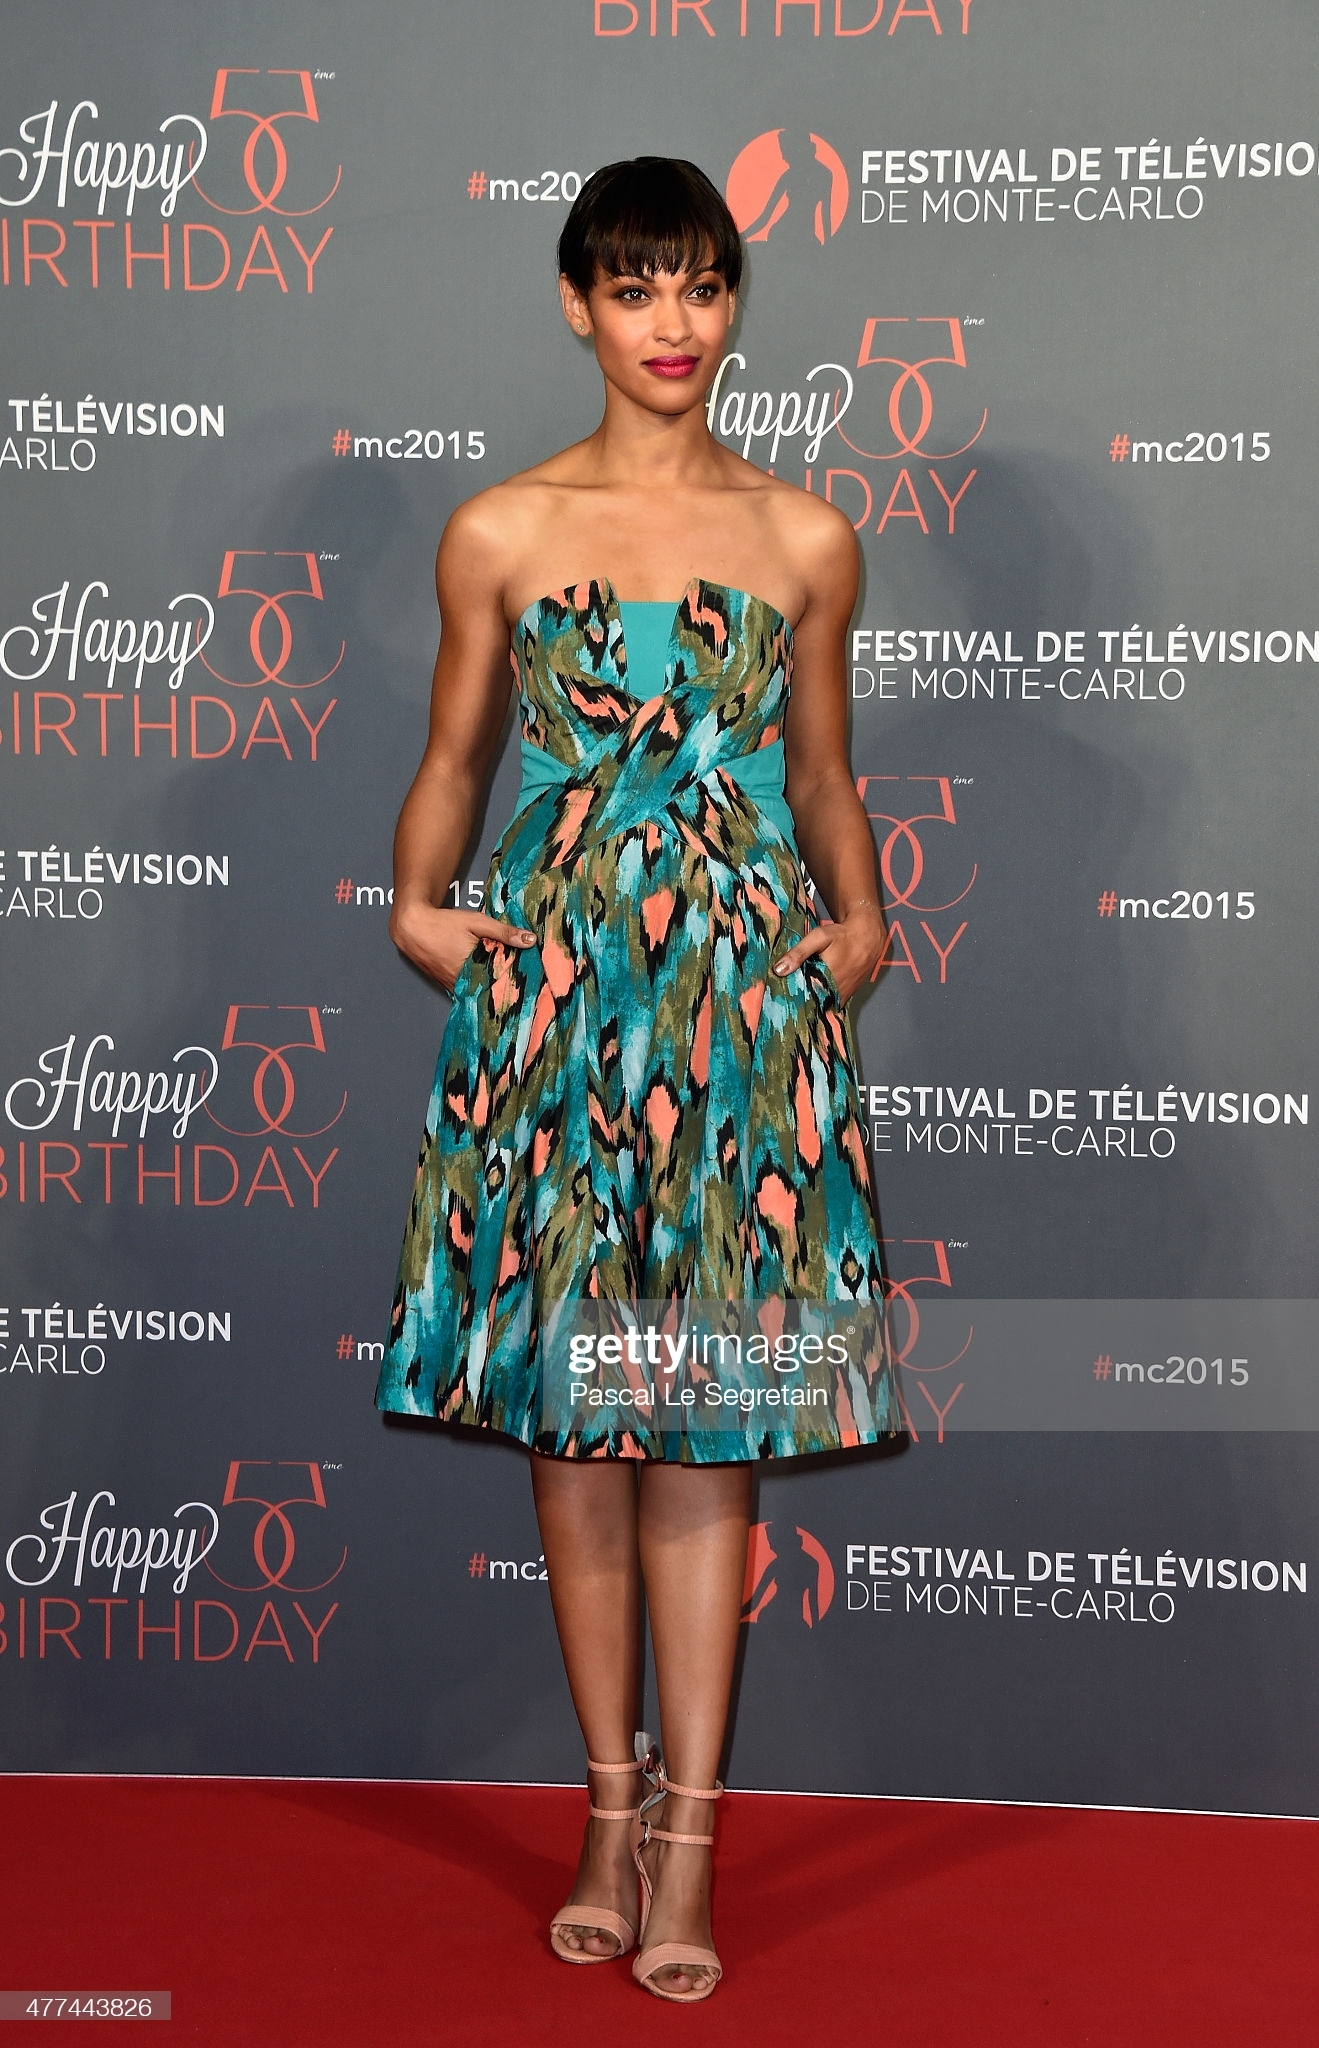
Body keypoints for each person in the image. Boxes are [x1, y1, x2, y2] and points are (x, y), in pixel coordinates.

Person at [374, 156, 901, 2004]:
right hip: (557, 1002)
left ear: (734, 304)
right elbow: (457, 755)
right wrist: (416, 906)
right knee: (578, 1431)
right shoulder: (501, 528)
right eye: (634, 286)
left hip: (736, 1009)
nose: (672, 324)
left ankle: (688, 1842)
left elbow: (821, 772)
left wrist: (860, 917)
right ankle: (607, 1806)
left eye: (701, 286)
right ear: (576, 304)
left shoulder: (808, 536)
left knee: (704, 1430)